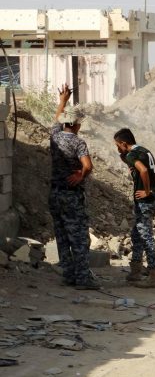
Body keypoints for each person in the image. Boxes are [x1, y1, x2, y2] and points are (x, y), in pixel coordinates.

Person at [49, 84, 99, 290]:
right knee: (79, 238)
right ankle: (82, 279)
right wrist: (80, 174)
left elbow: (56, 119)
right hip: (71, 196)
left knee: (61, 236)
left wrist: (63, 100)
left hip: (54, 195)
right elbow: (88, 166)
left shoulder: (54, 136)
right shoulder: (79, 143)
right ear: (77, 125)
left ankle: (69, 275)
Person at [114, 128, 155, 288]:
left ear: (124, 143)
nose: (117, 148)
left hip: (146, 201)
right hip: (154, 199)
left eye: (118, 145)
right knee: (136, 234)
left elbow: (142, 170)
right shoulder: (144, 151)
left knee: (145, 236)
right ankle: (135, 271)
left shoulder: (132, 155)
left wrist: (146, 190)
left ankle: (154, 275)